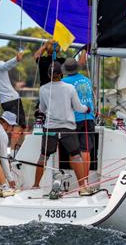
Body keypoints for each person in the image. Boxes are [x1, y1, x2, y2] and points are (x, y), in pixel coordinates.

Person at [33, 61, 93, 195]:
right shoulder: (69, 88)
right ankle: (82, 187)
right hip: (67, 128)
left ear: (49, 75)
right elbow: (78, 108)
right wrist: (87, 109)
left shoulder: (43, 89)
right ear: (61, 74)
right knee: (76, 156)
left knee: (43, 156)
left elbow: (42, 109)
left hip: (50, 128)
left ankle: (35, 185)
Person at [62, 58, 95, 188]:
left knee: (74, 151)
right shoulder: (87, 80)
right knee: (86, 150)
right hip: (89, 117)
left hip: (74, 119)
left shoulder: (64, 82)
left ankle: (79, 183)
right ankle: (85, 182)